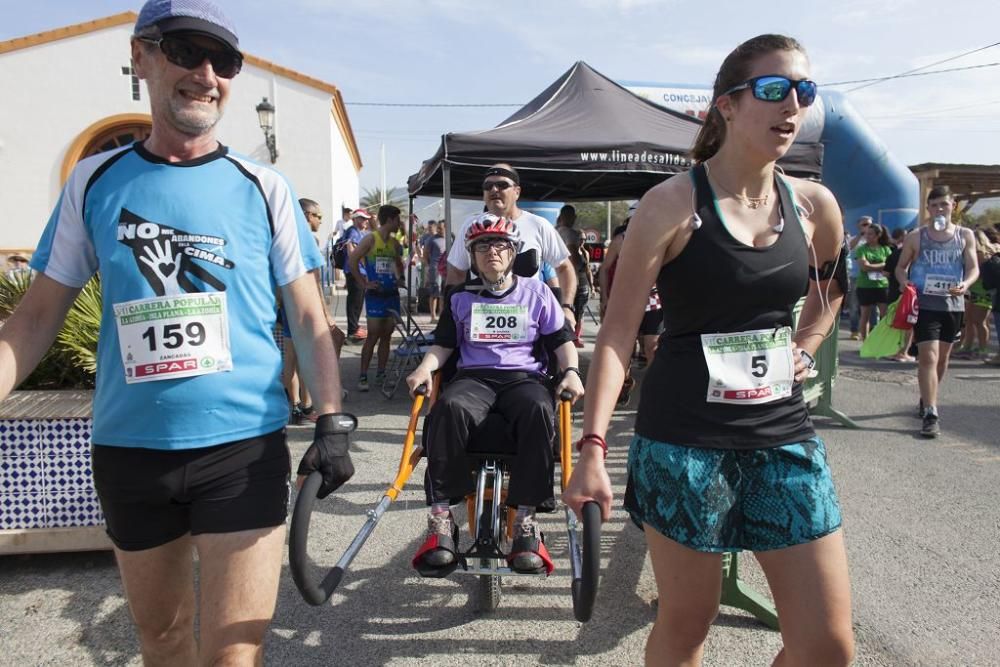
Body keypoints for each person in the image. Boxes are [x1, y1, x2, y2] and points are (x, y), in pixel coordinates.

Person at [0, 2, 355, 664]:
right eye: (186, 50)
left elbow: (308, 316)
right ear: (141, 57)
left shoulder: (264, 185)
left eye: (224, 60)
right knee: (162, 641)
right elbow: (36, 317)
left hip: (241, 450)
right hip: (132, 453)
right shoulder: (93, 181)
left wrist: (332, 421)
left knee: (232, 651)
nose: (207, 73)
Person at [564, 35, 854, 666]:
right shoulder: (671, 205)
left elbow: (832, 289)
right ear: (725, 104)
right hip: (684, 442)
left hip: (782, 432)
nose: (793, 105)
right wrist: (591, 448)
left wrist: (806, 344)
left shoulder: (813, 204)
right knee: (688, 623)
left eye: (804, 91)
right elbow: (615, 335)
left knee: (827, 646)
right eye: (774, 89)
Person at [406, 214, 584, 575]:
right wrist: (425, 368)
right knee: (448, 408)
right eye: (482, 246)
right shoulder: (459, 298)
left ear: (514, 251)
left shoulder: (539, 294)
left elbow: (561, 342)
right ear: (471, 256)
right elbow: (443, 345)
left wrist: (572, 372)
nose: (492, 251)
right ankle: (442, 520)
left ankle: (525, 525)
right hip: (475, 377)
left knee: (538, 409)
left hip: (524, 378)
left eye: (500, 244)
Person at [445, 164, 578, 330]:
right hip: (480, 322)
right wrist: (448, 315)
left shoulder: (538, 225)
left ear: (517, 192)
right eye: (488, 186)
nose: (494, 190)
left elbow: (565, 268)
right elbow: (456, 273)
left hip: (531, 324)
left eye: (502, 185)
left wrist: (566, 308)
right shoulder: (470, 225)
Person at [894, 185, 978, 438]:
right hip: (925, 305)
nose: (939, 209)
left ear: (953, 206)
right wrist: (903, 282)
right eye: (934, 205)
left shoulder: (965, 235)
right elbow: (900, 267)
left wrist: (965, 284)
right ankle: (931, 412)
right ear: (928, 209)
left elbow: (973, 268)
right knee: (928, 358)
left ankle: (926, 397)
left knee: (941, 360)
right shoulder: (916, 237)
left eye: (944, 204)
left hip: (953, 306)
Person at [598, 202, 664, 405]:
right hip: (627, 300)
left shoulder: (661, 235)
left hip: (654, 301)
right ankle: (623, 381)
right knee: (624, 347)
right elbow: (604, 269)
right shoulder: (621, 239)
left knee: (653, 347)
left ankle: (655, 391)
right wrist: (605, 298)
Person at [349, 205, 404, 391]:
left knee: (387, 336)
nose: (400, 223)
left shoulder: (395, 244)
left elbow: (399, 263)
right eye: (398, 220)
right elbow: (352, 260)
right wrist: (364, 283)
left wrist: (400, 278)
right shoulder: (371, 239)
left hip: (392, 295)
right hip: (375, 295)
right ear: (389, 220)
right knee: (372, 335)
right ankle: (363, 376)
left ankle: (381, 373)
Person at [555, 204, 593, 347]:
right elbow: (573, 257)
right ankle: (571, 339)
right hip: (574, 279)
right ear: (570, 217)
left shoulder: (554, 231)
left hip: (555, 278)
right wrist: (582, 264)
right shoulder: (570, 233)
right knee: (575, 312)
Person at [853, 222, 892, 341]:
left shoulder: (886, 249)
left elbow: (890, 266)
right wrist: (882, 266)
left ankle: (884, 340)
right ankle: (865, 341)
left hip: (882, 286)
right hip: (865, 286)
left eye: (870, 234)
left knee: (885, 315)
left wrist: (872, 265)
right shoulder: (861, 249)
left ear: (878, 235)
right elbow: (864, 267)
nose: (867, 236)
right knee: (865, 315)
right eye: (866, 234)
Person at [885, 227, 915, 362]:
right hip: (909, 293)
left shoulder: (896, 253)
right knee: (909, 323)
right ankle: (903, 351)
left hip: (897, 291)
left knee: (898, 322)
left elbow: (886, 272)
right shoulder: (918, 254)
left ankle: (899, 350)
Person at [341, 208, 371, 342]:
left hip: (360, 271)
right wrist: (359, 265)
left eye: (366, 219)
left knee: (358, 301)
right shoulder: (352, 232)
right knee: (355, 301)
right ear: (356, 219)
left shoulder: (360, 232)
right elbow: (351, 251)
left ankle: (354, 328)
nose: (366, 221)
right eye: (363, 218)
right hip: (355, 272)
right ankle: (352, 330)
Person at [846, 215, 872, 339]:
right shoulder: (855, 239)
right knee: (854, 305)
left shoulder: (874, 240)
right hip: (856, 276)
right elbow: (849, 247)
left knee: (872, 308)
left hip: (872, 278)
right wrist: (861, 235)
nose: (867, 227)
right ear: (859, 226)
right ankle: (854, 330)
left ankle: (872, 332)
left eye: (869, 225)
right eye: (864, 224)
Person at [421, 220, 447, 321]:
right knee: (434, 292)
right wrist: (428, 267)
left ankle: (441, 316)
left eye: (442, 228)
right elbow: (425, 255)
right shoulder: (432, 239)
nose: (440, 230)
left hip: (447, 269)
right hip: (435, 269)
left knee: (443, 293)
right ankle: (433, 316)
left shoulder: (451, 238)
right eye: (439, 228)